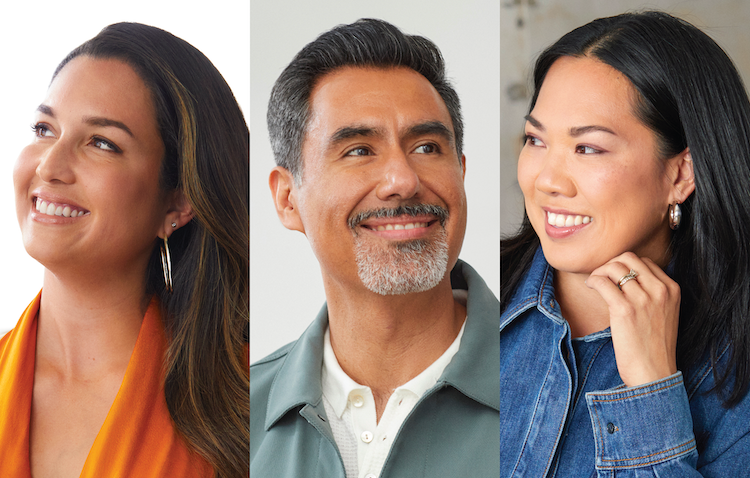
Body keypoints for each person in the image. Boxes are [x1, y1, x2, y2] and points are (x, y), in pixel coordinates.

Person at [500, 10, 750, 477]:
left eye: (587, 148)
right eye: (535, 140)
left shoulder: (734, 380)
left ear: (681, 174)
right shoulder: (466, 302)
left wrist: (652, 391)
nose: (547, 180)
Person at [250, 18, 499, 478]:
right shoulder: (236, 411)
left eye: (426, 147)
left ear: (461, 173)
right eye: (359, 150)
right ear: (287, 199)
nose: (403, 181)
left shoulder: (546, 378)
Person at [0, 23, 249, 478]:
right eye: (44, 128)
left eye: (102, 143)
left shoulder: (251, 402)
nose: (50, 166)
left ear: (179, 201)